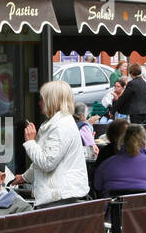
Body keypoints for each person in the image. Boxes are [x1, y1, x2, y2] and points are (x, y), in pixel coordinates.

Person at [12, 79, 90, 208]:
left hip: (59, 197)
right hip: (59, 195)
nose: (40, 103)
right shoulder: (57, 123)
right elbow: (44, 158)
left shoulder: (60, 126)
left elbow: (47, 162)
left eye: (43, 99)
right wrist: (25, 177)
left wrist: (30, 142)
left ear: (52, 101)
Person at [92, 124, 146, 195]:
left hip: (115, 211)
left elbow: (98, 186)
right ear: (145, 142)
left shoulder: (106, 165)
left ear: (122, 140)